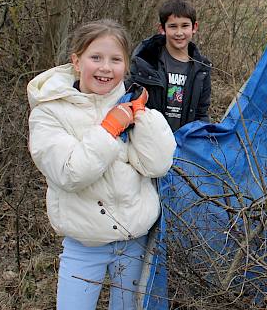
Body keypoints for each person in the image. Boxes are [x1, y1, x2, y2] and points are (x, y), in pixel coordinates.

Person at [27, 19, 176, 309]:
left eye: (115, 59)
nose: (105, 68)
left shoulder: (128, 102)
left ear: (126, 65)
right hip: (84, 245)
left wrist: (145, 118)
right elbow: (69, 173)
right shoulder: (49, 112)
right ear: (76, 60)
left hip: (135, 242)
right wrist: (109, 130)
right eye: (96, 57)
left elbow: (157, 165)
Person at [130, 0, 212, 131]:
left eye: (185, 26)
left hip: (185, 143)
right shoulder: (146, 62)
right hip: (150, 138)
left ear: (194, 27)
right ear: (162, 29)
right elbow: (133, 103)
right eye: (173, 26)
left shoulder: (202, 68)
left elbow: (201, 114)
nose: (179, 33)